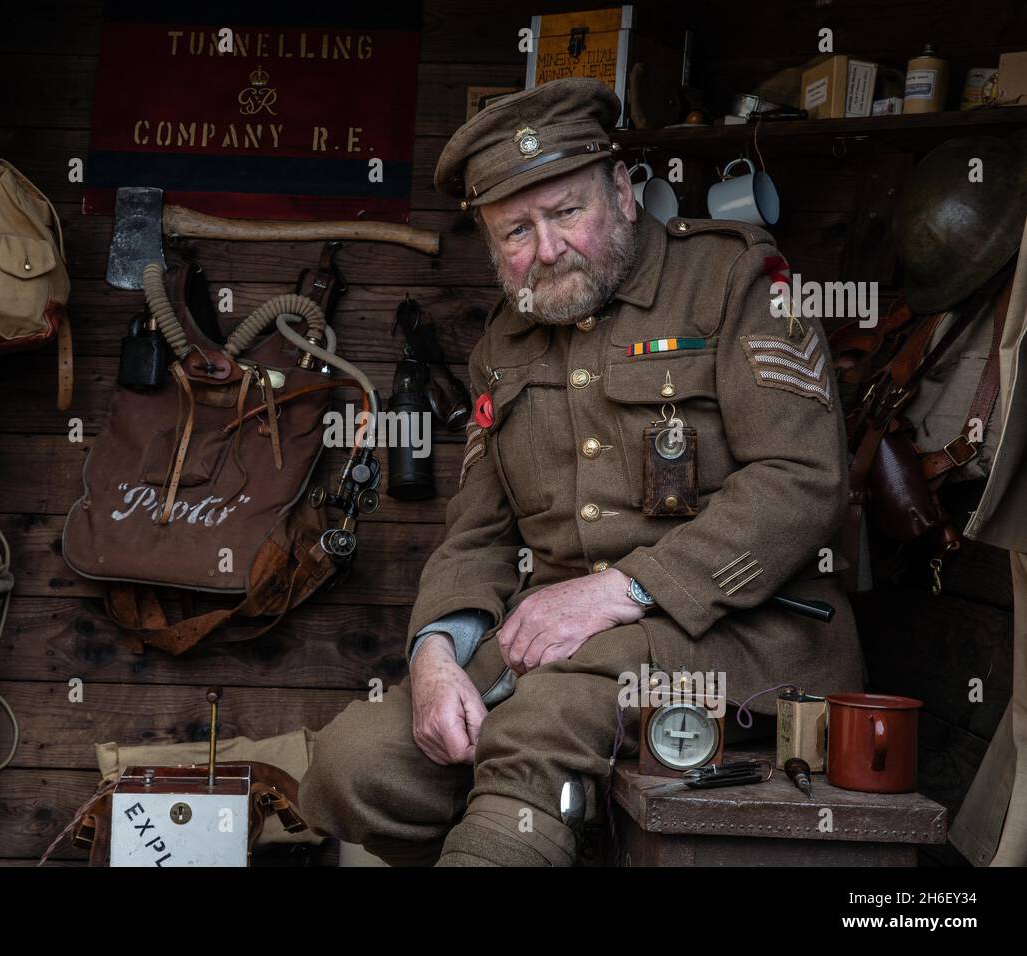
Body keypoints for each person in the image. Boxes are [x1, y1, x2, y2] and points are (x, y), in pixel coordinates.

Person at [298, 77, 865, 866]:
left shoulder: (735, 281)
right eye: (516, 232)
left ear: (626, 195)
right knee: (355, 764)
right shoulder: (503, 346)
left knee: (545, 719)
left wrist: (617, 591)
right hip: (555, 651)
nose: (548, 248)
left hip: (744, 635)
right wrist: (434, 656)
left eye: (567, 212)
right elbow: (477, 534)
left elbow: (802, 479)